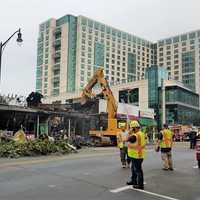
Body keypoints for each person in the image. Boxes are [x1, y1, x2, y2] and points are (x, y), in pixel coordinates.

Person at [126, 120, 146, 190]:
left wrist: (129, 133)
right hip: (137, 155)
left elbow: (127, 139)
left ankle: (140, 185)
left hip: (136, 155)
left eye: (131, 128)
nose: (130, 129)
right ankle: (133, 181)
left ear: (134, 128)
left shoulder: (135, 135)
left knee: (138, 170)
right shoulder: (141, 133)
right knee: (133, 169)